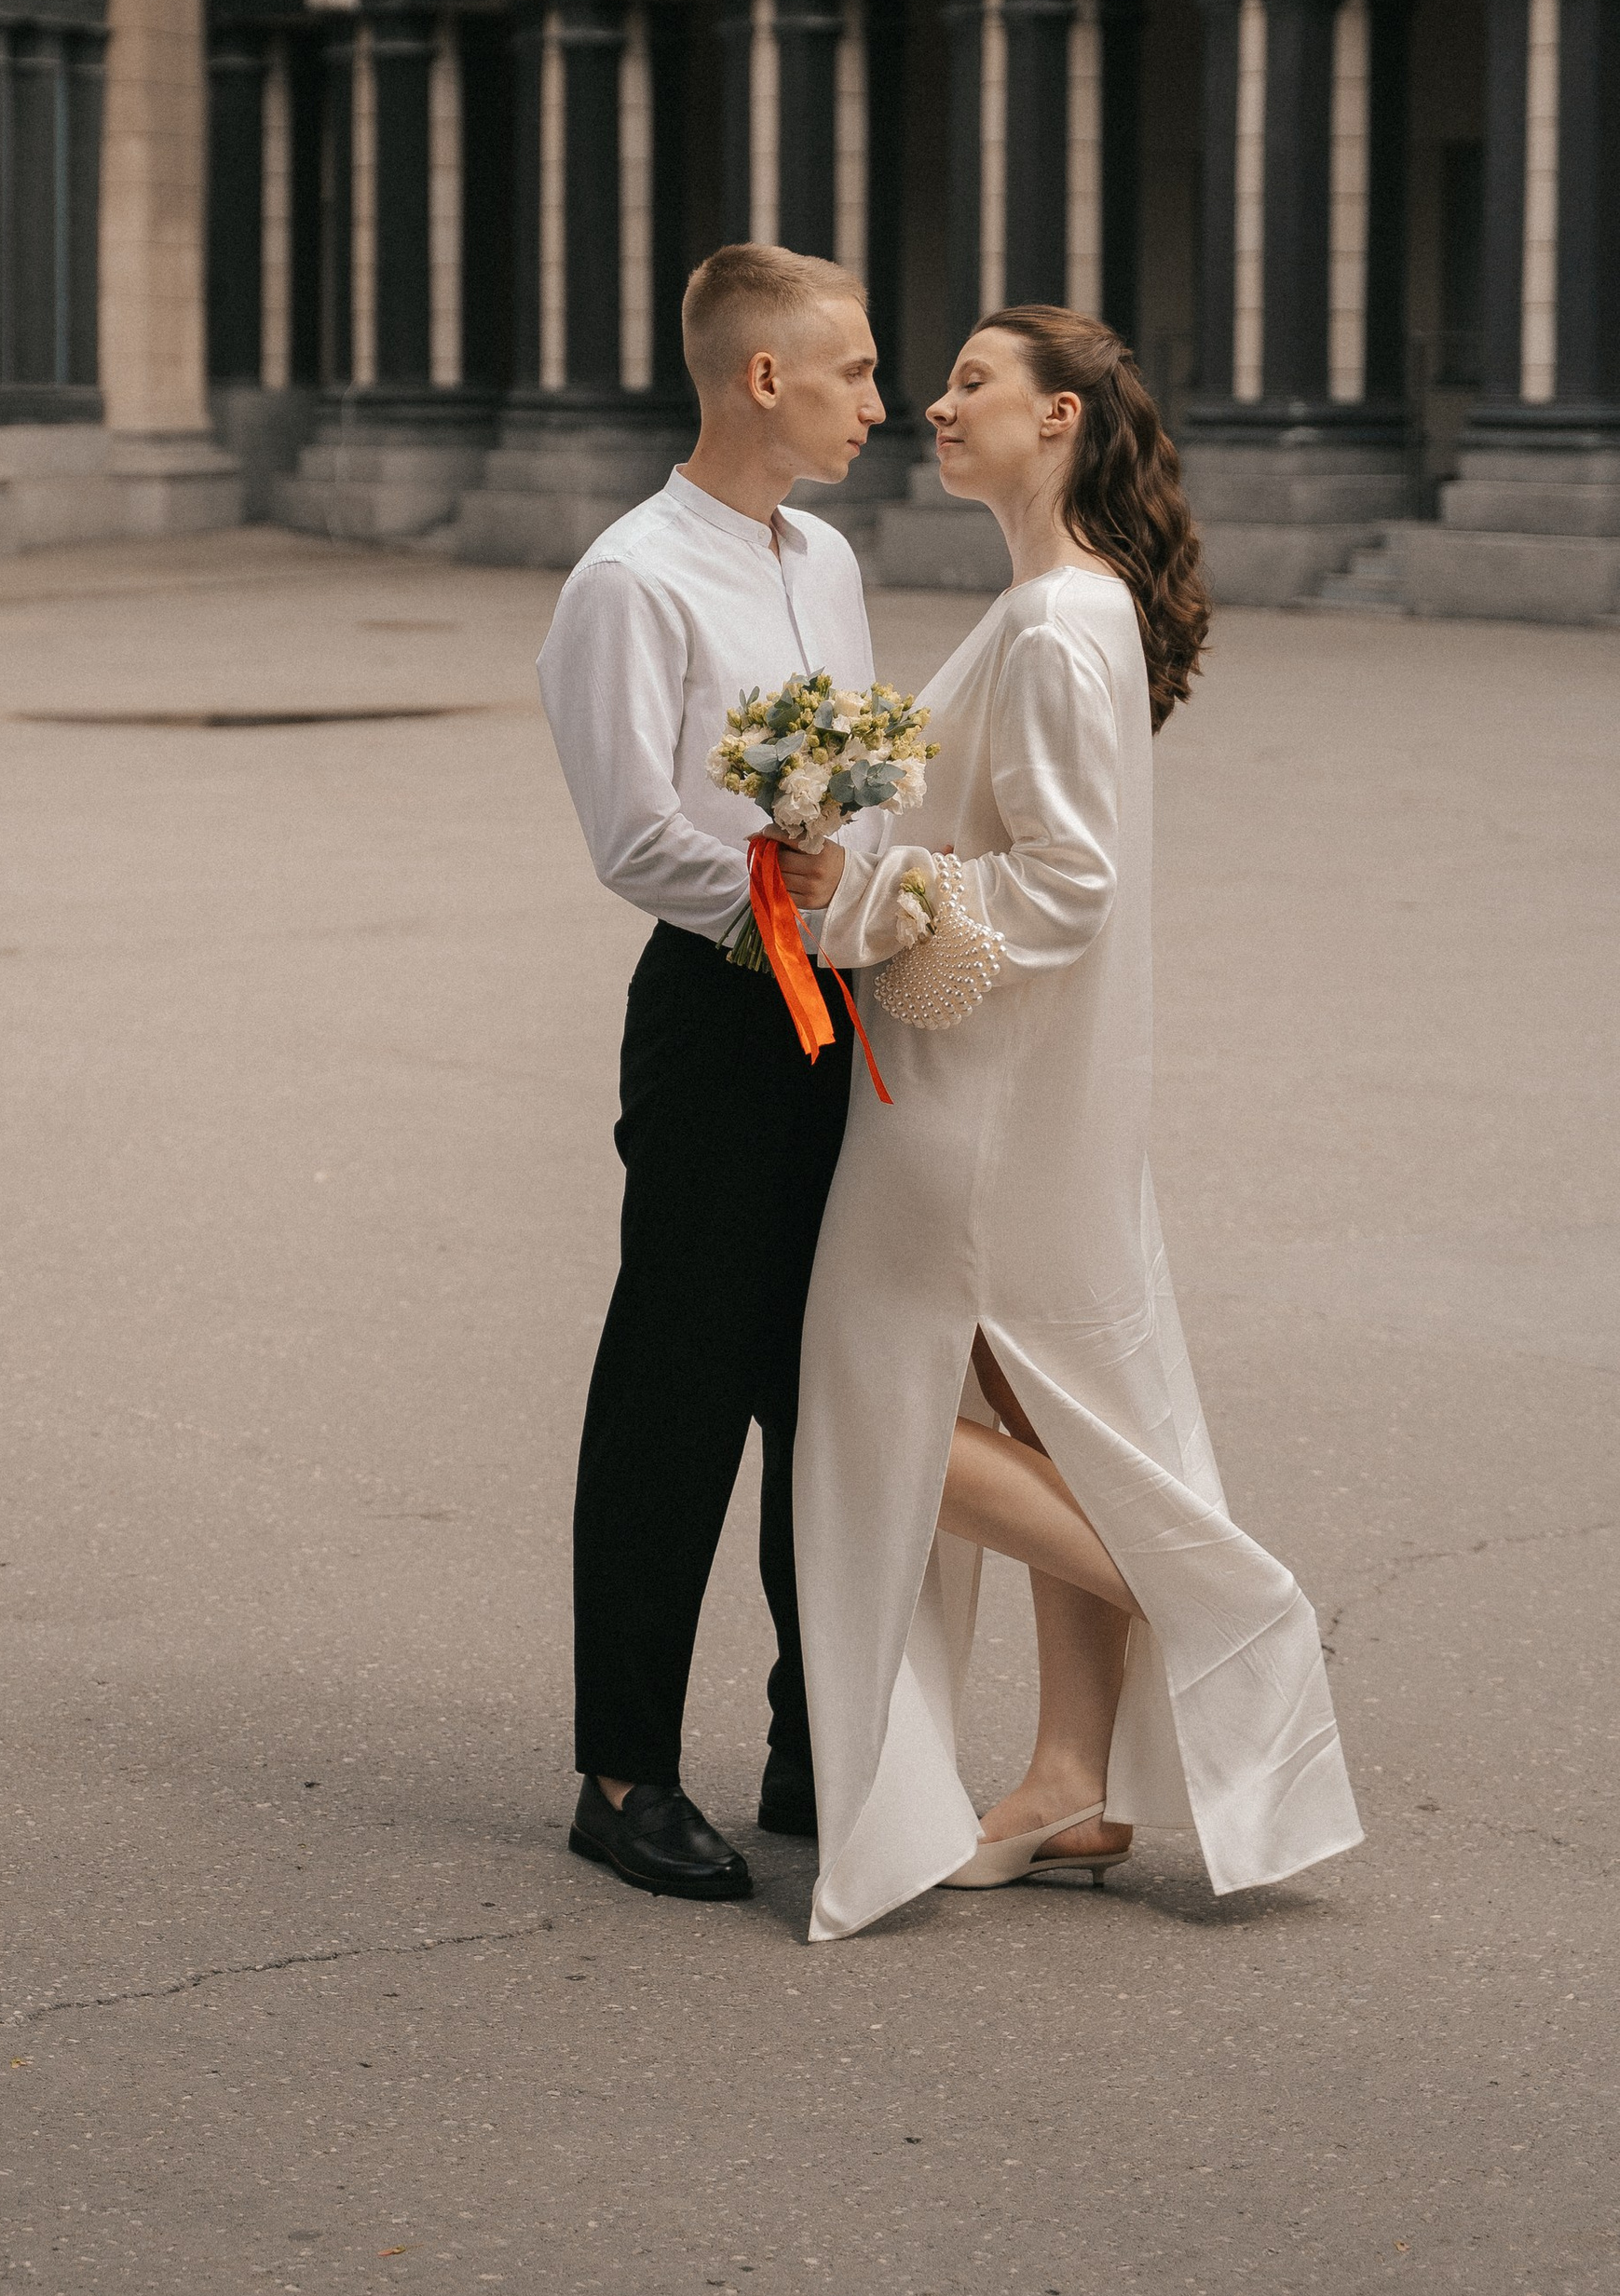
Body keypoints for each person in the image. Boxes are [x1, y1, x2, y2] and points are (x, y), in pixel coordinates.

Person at [788, 306, 1363, 1938]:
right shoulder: (1067, 603)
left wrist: (858, 895)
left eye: (974, 381)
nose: (936, 403)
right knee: (1042, 1417)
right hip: (1029, 1088)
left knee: (865, 1411)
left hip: (971, 1100)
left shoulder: (1054, 622)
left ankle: (1209, 1597)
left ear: (1060, 418)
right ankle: (1070, 1781)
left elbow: (1066, 885)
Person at [537, 243, 887, 1901]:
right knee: (677, 1394)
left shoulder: (827, 556)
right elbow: (633, 834)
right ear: (764, 378)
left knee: (829, 1390)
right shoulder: (632, 579)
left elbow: (862, 781)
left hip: (847, 1005)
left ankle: (812, 1745)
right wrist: (778, 899)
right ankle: (622, 1774)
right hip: (719, 1012)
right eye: (854, 372)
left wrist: (863, 897)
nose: (878, 404)